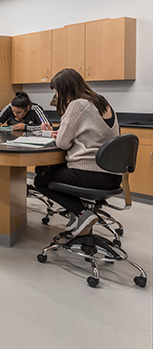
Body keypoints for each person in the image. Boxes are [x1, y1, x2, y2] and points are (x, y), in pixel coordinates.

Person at [33, 68, 121, 237]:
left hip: (90, 173)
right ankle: (78, 217)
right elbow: (92, 134)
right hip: (112, 175)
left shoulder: (77, 104)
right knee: (52, 171)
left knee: (41, 178)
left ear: (65, 89)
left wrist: (60, 134)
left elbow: (62, 143)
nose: (57, 96)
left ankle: (81, 213)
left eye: (57, 91)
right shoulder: (101, 101)